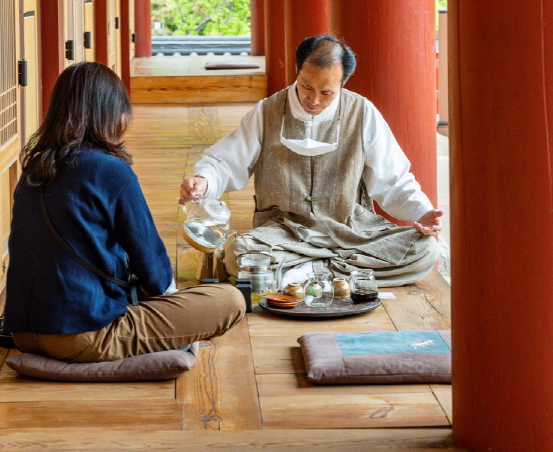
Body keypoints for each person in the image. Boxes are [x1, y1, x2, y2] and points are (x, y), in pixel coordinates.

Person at [6, 62, 244, 362]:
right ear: (109, 113)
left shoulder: (34, 168)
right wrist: (172, 310)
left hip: (24, 333)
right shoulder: (110, 171)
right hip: (82, 336)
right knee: (229, 299)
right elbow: (155, 272)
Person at [179, 35, 443, 287]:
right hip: (284, 233)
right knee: (240, 255)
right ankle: (341, 274)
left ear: (343, 84)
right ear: (297, 72)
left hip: (352, 231)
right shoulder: (268, 111)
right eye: (307, 87)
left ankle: (305, 273)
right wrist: (204, 181)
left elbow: (393, 179)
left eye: (326, 93)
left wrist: (422, 212)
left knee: (425, 249)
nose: (313, 100)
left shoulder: (362, 112)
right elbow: (226, 161)